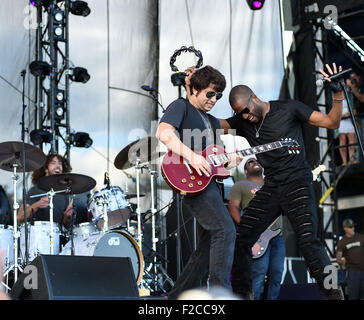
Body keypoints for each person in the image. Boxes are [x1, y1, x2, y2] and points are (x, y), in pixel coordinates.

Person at [217, 62, 345, 299]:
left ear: (254, 97)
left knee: (310, 243)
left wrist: (337, 94)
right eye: (240, 113)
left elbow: (332, 123)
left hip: (297, 182)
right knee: (242, 237)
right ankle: (243, 294)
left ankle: (334, 293)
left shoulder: (288, 108)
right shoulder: (242, 122)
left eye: (247, 110)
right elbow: (213, 125)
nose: (246, 116)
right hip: (272, 187)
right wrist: (192, 100)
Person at [156, 65, 243, 299]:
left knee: (208, 246)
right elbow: (163, 133)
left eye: (218, 95)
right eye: (210, 93)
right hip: (192, 182)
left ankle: (176, 296)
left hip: (212, 185)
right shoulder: (181, 106)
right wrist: (192, 156)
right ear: (194, 89)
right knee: (225, 230)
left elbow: (217, 159)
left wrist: (231, 162)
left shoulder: (213, 122)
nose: (214, 99)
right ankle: (219, 294)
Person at [228, 157, 285, 300]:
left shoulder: (272, 185)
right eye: (250, 162)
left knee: (276, 275)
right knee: (258, 274)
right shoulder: (241, 185)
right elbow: (233, 207)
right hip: (257, 236)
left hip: (277, 236)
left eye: (257, 161)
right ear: (246, 170)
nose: (255, 162)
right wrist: (247, 230)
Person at [17, 154, 89, 229]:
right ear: (45, 169)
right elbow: (20, 217)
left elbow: (66, 224)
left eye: (60, 163)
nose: (58, 166)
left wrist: (67, 217)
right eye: (53, 163)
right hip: (41, 236)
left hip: (62, 237)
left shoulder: (67, 192)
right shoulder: (35, 190)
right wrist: (37, 205)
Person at [336, 218, 364, 300]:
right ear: (345, 228)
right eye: (350, 227)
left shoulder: (361, 237)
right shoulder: (342, 242)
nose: (353, 228)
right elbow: (338, 257)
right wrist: (341, 261)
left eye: (353, 226)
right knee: (354, 296)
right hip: (353, 272)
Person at [337, 79, 359, 166]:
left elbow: (354, 110)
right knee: (342, 141)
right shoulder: (336, 99)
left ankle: (352, 158)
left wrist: (352, 115)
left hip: (349, 121)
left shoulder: (350, 98)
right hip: (341, 121)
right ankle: (344, 160)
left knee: (352, 140)